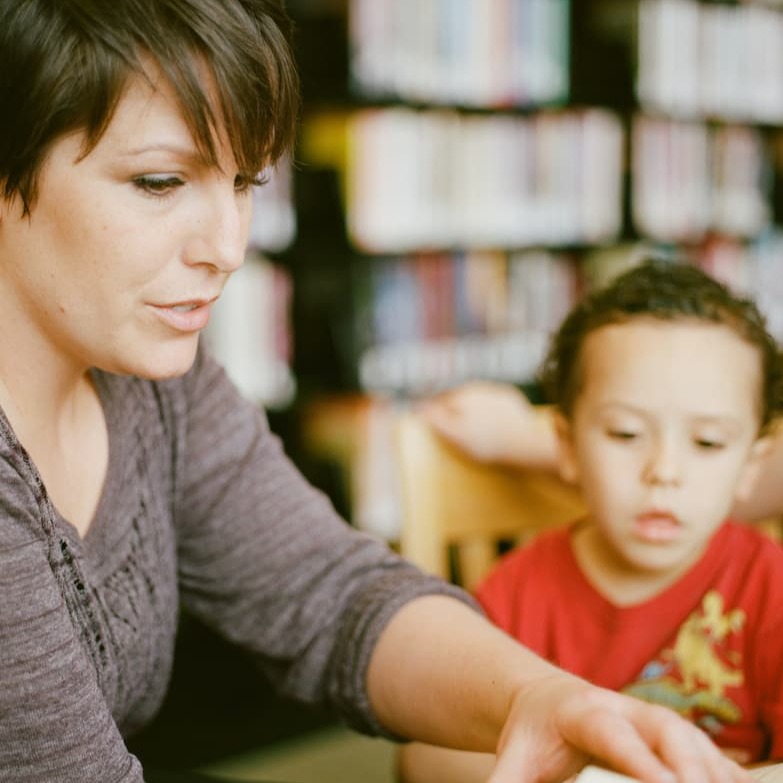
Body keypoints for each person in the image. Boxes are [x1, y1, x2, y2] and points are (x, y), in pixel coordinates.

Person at [0, 3, 755, 782]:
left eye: (243, 181)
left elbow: (330, 595)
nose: (228, 246)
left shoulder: (159, 389)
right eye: (159, 182)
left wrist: (542, 696)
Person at [402, 261, 783, 783]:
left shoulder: (770, 588)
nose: (664, 472)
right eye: (625, 434)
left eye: (708, 443)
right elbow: (423, 758)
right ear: (567, 446)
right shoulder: (519, 592)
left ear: (751, 465)